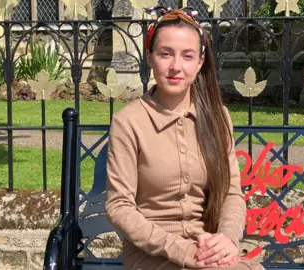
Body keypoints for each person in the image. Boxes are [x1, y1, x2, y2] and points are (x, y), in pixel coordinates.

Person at [105, 6, 263, 270]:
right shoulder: (129, 122)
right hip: (152, 256)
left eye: (187, 56)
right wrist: (181, 250)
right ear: (150, 58)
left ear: (200, 62)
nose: (176, 66)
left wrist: (226, 239)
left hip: (209, 250)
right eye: (165, 54)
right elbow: (119, 206)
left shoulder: (217, 117)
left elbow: (231, 193)